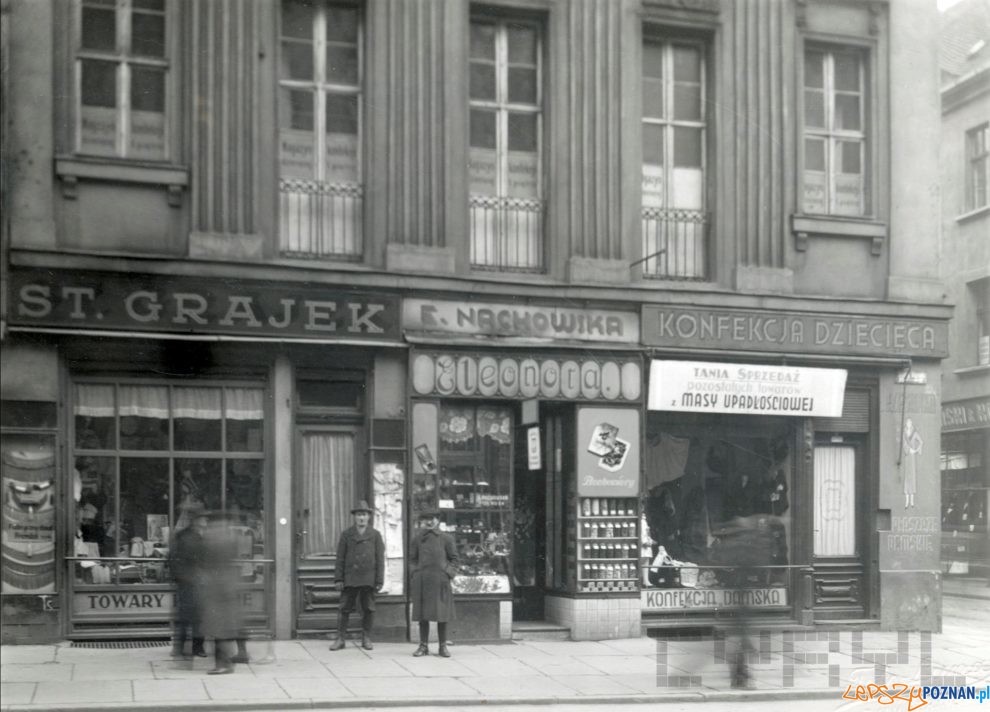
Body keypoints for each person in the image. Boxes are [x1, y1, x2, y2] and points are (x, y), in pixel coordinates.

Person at [329, 500, 385, 651]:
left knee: (368, 608)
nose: (361, 518)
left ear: (368, 517)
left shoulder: (375, 535)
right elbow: (340, 557)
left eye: (364, 515)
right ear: (354, 517)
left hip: (368, 577)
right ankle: (340, 639)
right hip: (350, 577)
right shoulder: (347, 534)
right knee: (344, 608)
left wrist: (379, 580)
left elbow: (380, 559)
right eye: (359, 515)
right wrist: (338, 578)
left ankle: (366, 638)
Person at [409, 510, 458, 658]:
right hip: (422, 581)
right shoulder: (417, 539)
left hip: (440, 581)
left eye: (432, 518)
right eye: (426, 519)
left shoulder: (446, 538)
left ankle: (442, 646)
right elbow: (412, 559)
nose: (429, 522)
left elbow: (455, 559)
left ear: (437, 520)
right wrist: (415, 573)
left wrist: (447, 573)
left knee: (441, 615)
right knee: (423, 615)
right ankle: (423, 646)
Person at [199, 511, 242, 675]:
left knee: (219, 628)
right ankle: (225, 662)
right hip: (225, 586)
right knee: (221, 628)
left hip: (218, 588)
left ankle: (224, 664)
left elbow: (209, 563)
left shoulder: (214, 539)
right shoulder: (228, 537)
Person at [169, 504, 207, 660]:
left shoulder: (191, 536)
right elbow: (173, 559)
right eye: (202, 518)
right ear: (195, 520)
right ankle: (191, 647)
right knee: (190, 616)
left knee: (191, 616)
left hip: (192, 581)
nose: (204, 521)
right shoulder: (187, 537)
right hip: (189, 581)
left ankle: (186, 647)